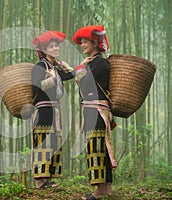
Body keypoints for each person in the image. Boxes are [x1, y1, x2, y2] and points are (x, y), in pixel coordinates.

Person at [71, 25, 117, 200]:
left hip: (96, 110)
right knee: (99, 146)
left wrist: (80, 67)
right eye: (81, 42)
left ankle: (98, 191)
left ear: (95, 43)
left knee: (96, 147)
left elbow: (84, 84)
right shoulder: (96, 62)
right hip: (94, 109)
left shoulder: (99, 63)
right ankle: (106, 188)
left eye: (85, 42)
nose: (82, 45)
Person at [31, 31, 74, 189]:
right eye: (52, 46)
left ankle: (48, 179)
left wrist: (64, 67)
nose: (56, 48)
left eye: (57, 46)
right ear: (44, 50)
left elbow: (72, 75)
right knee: (43, 143)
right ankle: (39, 181)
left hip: (54, 109)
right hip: (43, 110)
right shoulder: (41, 66)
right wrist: (52, 79)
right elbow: (35, 86)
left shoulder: (53, 67)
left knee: (53, 142)